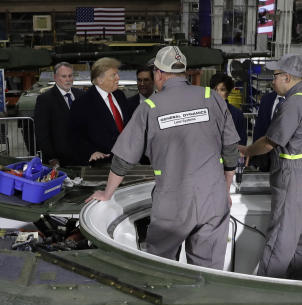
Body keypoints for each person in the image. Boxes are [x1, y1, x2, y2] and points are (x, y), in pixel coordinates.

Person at [86, 46, 240, 269]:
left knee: (162, 270)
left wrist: (107, 192)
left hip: (173, 202)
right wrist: (224, 190)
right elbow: (231, 149)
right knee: (208, 273)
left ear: (159, 74)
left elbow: (123, 159)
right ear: (184, 72)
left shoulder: (150, 107)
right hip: (213, 199)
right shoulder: (212, 97)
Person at [240, 54, 302, 281]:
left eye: (275, 76)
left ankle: (266, 294)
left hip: (295, 178)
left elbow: (271, 141)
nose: (272, 81)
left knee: (281, 238)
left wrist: (247, 151)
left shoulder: (294, 102)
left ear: (287, 77)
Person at [69, 57, 134, 164]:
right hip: (101, 164)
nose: (118, 78)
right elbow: (74, 136)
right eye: (113, 75)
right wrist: (91, 152)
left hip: (127, 159)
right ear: (100, 80)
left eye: (117, 74)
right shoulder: (82, 104)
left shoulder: (120, 95)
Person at [33, 62, 83, 165]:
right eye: (64, 76)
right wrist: (51, 157)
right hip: (60, 160)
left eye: (70, 76)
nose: (68, 79)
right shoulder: (45, 99)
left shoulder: (81, 95)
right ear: (55, 77)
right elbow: (42, 133)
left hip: (82, 156)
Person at [209, 72, 247, 145]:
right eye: (215, 89)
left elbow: (242, 140)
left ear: (228, 92)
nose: (218, 93)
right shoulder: (205, 111)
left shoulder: (237, 114)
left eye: (222, 90)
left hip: (230, 154)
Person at [251, 89, 280, 171]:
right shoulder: (267, 99)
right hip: (266, 157)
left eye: (276, 77)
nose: (273, 81)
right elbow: (259, 128)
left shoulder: (297, 100)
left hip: (288, 158)